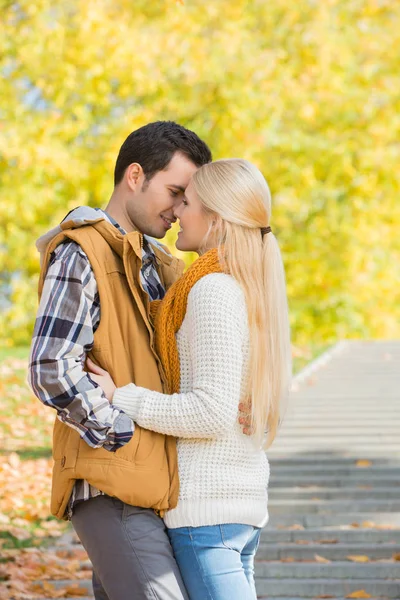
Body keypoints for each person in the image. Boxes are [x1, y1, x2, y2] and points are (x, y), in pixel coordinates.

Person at [87, 158, 292, 600]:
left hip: (207, 512)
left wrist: (121, 396)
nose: (178, 210)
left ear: (216, 218)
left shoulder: (212, 290)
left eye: (189, 201)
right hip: (236, 504)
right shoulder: (244, 284)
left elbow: (210, 412)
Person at [28, 121, 212, 600]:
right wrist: (123, 435)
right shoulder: (80, 251)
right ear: (135, 176)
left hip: (155, 485)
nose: (179, 209)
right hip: (111, 483)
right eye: (174, 191)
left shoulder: (159, 264)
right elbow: (51, 367)